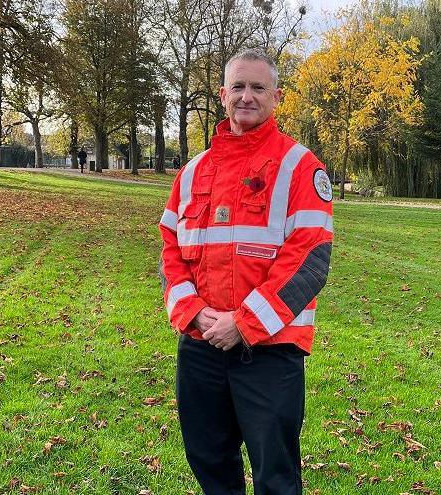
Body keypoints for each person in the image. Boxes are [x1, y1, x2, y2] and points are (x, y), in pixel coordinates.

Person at [158, 49, 334, 495]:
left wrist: (243, 322)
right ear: (222, 95)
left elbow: (309, 260)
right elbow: (170, 250)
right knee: (208, 458)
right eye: (238, 86)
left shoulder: (299, 166)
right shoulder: (192, 172)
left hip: (269, 350)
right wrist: (195, 313)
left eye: (258, 88)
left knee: (275, 472)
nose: (247, 97)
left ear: (276, 97)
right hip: (200, 346)